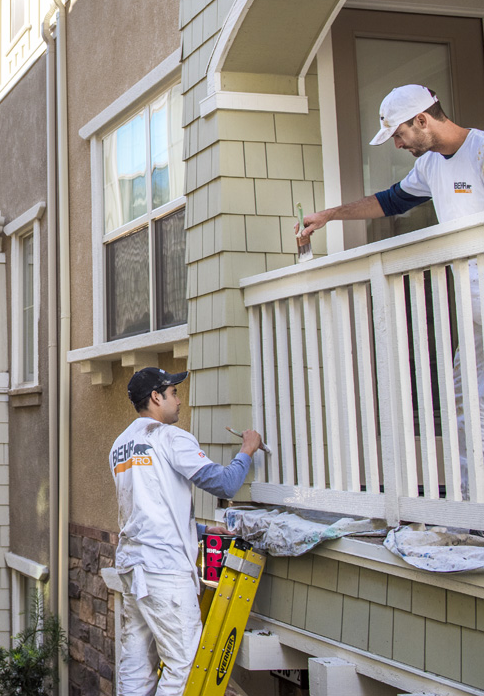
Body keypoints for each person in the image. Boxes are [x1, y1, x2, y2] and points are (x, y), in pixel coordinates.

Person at [298, 84, 483, 496]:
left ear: (422, 119)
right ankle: (475, 511)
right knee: (464, 407)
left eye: (399, 134)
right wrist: (329, 215)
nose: (398, 144)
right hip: (472, 312)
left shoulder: (480, 151)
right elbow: (391, 201)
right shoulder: (431, 166)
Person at [109, 366, 263, 696]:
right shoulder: (169, 437)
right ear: (155, 397)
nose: (179, 400)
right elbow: (225, 483)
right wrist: (248, 449)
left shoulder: (120, 446)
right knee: (183, 665)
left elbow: (152, 511)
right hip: (164, 570)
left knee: (136, 665)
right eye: (174, 392)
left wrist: (205, 528)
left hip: (133, 567)